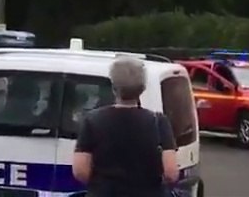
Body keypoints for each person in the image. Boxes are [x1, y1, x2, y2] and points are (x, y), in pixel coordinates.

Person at [73, 56, 178, 197]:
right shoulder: (158, 122)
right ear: (143, 88)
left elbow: (80, 171)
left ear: (113, 87)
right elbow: (171, 173)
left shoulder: (92, 120)